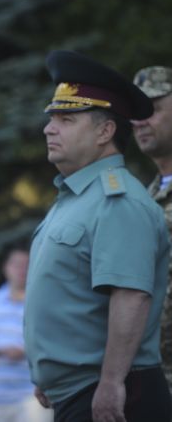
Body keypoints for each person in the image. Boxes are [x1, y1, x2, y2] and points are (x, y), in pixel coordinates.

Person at [23, 50, 171, 422]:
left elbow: (131, 295)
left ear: (105, 132)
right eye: (52, 118)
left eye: (66, 119)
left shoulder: (118, 201)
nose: (49, 129)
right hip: (79, 391)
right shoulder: (77, 196)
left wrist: (111, 381)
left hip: (112, 394)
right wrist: (52, 374)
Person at [0, 247, 53, 422]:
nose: (22, 270)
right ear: (6, 267)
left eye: (27, 265)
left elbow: (55, 343)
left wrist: (25, 352)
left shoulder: (43, 303)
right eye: (17, 264)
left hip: (33, 397)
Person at [131, 65, 172, 392]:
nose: (138, 121)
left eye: (152, 109)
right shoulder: (145, 198)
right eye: (135, 113)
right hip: (154, 378)